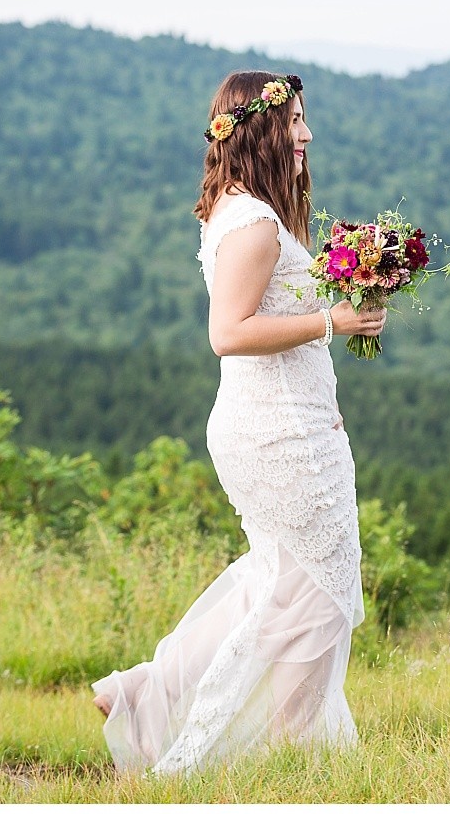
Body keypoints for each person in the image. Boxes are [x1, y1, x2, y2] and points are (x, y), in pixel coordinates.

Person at [89, 70, 385, 776]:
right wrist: (331, 319)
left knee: (279, 578)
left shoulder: (244, 209)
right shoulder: (253, 224)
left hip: (279, 426)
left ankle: (145, 691)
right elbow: (227, 331)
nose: (307, 133)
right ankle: (297, 753)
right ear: (261, 130)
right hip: (279, 436)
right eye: (297, 121)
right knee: (321, 591)